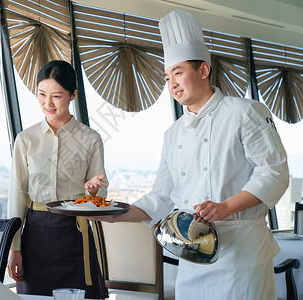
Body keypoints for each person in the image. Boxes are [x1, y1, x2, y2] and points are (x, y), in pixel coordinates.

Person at [89, 10, 289, 300]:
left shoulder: (245, 112)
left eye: (179, 72)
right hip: (193, 255)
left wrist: (225, 207)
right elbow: (161, 197)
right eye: (167, 76)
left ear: (204, 70)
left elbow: (274, 172)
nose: (172, 83)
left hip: (242, 256)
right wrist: (112, 214)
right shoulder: (173, 134)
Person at [7, 60, 108, 299]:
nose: (47, 103)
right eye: (42, 94)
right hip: (35, 234)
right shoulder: (26, 139)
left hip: (74, 232)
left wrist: (93, 192)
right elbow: (17, 196)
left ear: (73, 94)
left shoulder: (90, 139)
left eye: (56, 96)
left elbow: (100, 192)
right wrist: (14, 247)